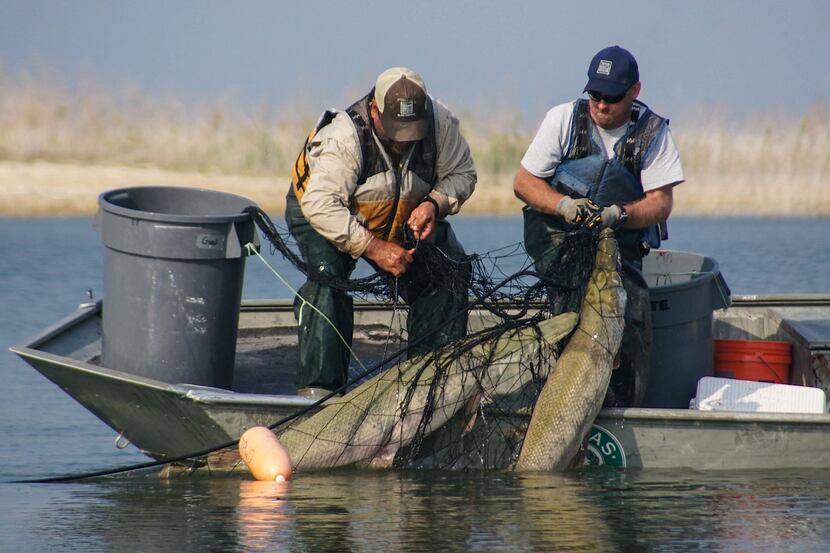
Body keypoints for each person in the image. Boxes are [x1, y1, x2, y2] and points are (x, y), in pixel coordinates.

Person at [286, 67, 477, 399]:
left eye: (411, 131)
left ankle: (430, 385)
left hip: (401, 210)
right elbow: (320, 204)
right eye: (394, 130)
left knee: (449, 268)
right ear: (375, 110)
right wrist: (373, 248)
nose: (403, 140)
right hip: (327, 211)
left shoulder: (441, 123)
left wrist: (433, 204)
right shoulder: (345, 136)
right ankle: (320, 393)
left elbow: (462, 174)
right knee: (328, 278)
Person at [514, 45, 684, 406]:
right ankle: (561, 403)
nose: (602, 105)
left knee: (631, 326)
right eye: (594, 95)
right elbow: (524, 183)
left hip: (621, 247)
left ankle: (622, 409)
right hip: (560, 243)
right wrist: (563, 206)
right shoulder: (562, 119)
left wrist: (619, 215)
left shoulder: (653, 133)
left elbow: (661, 203)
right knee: (569, 319)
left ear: (635, 91)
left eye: (612, 97)